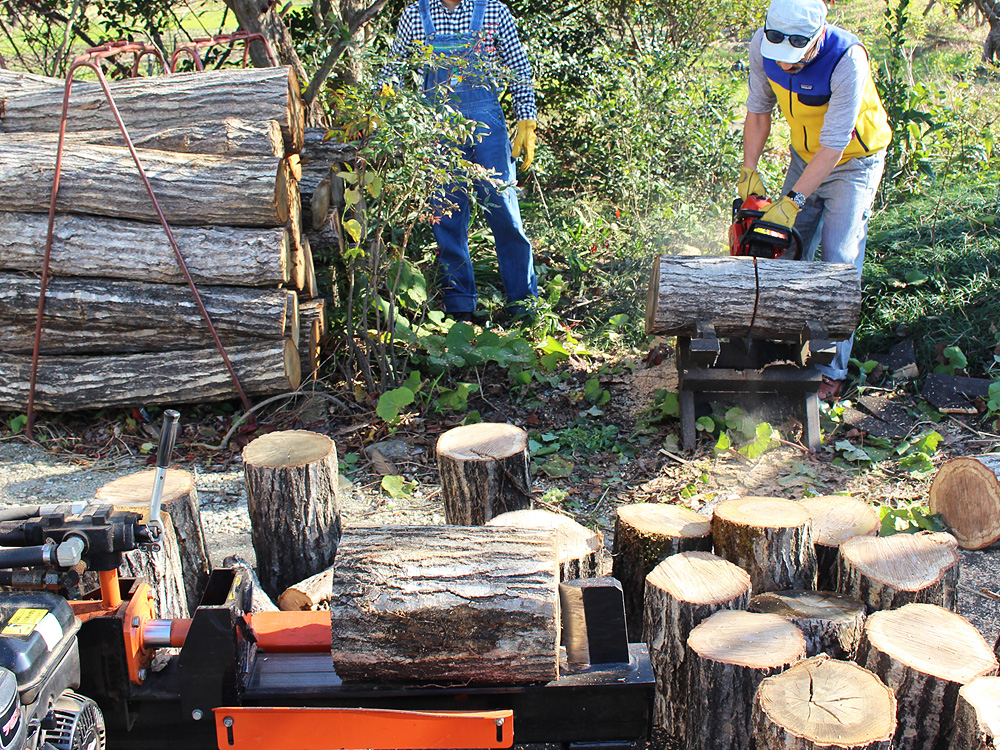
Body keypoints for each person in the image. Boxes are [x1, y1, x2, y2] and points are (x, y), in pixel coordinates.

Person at [738, 0, 892, 401]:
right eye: (778, 55)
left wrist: (793, 201)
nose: (783, 64)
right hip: (804, 157)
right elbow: (758, 111)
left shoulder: (847, 60)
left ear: (816, 37)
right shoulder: (761, 46)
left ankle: (829, 369)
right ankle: (776, 348)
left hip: (853, 162)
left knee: (839, 261)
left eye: (793, 58)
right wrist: (749, 172)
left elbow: (834, 145)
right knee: (781, 248)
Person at [382, 0, 539, 323]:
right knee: (446, 219)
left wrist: (526, 119)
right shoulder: (415, 14)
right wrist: (380, 103)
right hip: (438, 131)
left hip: (487, 132)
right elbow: (392, 69)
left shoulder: (493, 10)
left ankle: (524, 306)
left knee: (506, 215)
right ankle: (460, 309)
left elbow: (520, 69)